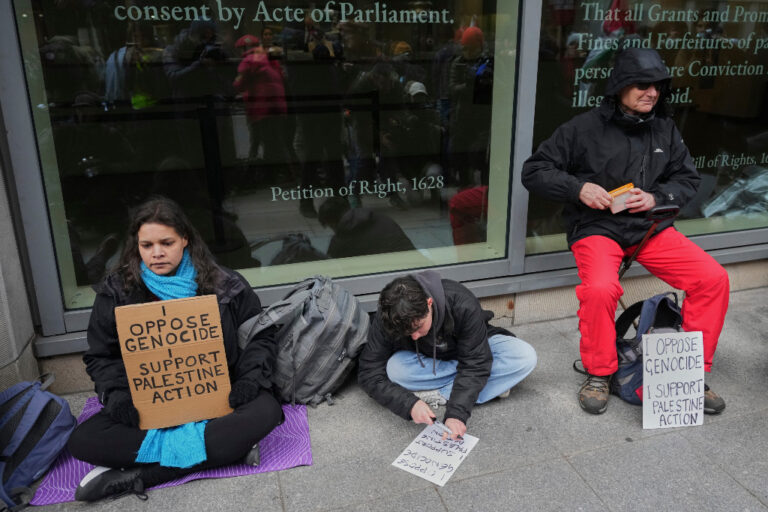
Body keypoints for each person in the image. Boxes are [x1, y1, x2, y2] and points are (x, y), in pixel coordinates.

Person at [521, 47, 729, 415]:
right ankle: (600, 371)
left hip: (649, 229)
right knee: (600, 289)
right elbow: (535, 171)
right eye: (642, 85)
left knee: (713, 279)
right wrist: (578, 188)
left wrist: (655, 198)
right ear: (619, 86)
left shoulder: (665, 127)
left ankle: (688, 370)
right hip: (597, 227)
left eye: (658, 86)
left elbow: (687, 179)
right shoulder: (582, 128)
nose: (652, 93)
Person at [67, 197, 283, 501]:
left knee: (267, 411)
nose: (156, 253)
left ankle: (143, 475)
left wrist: (249, 381)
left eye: (166, 243)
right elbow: (102, 356)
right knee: (83, 441)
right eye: (147, 245)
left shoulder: (225, 284)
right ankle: (228, 450)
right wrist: (117, 398)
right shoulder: (118, 290)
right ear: (136, 246)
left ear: (185, 239)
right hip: (150, 407)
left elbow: (261, 337)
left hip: (220, 402)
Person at [358, 271, 537, 440]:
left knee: (524, 356)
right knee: (395, 369)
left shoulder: (462, 303)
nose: (415, 336)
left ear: (429, 303)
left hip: (472, 348)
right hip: (430, 360)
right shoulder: (388, 316)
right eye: (407, 333)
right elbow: (369, 372)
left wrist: (456, 414)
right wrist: (409, 404)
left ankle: (442, 392)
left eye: (418, 327)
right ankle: (487, 383)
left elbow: (475, 361)